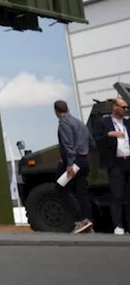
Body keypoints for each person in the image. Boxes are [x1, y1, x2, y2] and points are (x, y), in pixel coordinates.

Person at [54, 99, 94, 233]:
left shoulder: (64, 123)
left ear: (56, 111)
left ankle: (78, 218)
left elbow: (67, 145)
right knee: (82, 192)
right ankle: (87, 220)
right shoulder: (80, 123)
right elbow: (92, 144)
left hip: (73, 162)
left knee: (60, 187)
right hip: (84, 161)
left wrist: (70, 164)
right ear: (68, 108)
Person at [94, 95, 130, 235]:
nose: (126, 110)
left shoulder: (128, 123)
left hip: (128, 161)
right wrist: (109, 134)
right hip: (115, 163)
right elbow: (96, 140)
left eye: (127, 107)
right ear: (115, 107)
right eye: (123, 107)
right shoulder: (103, 122)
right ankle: (118, 225)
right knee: (117, 194)